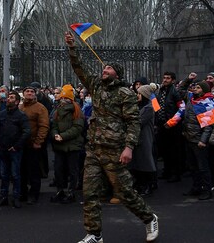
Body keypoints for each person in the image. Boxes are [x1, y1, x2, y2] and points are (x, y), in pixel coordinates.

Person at [65, 31, 158, 243]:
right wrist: (72, 47)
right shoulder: (96, 86)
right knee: (89, 194)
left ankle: (149, 217)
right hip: (94, 149)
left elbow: (133, 123)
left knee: (124, 193)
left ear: (117, 73)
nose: (104, 70)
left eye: (108, 68)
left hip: (115, 151)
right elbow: (79, 68)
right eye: (104, 67)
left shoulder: (125, 93)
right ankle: (95, 234)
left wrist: (129, 148)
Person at [165, 81, 214, 200]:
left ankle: (207, 190)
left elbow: (208, 126)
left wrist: (203, 141)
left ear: (204, 90)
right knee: (193, 166)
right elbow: (180, 89)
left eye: (198, 88)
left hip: (198, 141)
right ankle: (196, 187)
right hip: (189, 138)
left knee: (203, 167)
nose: (195, 89)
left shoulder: (207, 103)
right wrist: (189, 79)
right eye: (195, 87)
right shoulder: (191, 99)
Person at [0, 90, 30, 208]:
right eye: (9, 97)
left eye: (12, 98)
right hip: (3, 148)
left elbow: (26, 132)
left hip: (15, 150)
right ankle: (3, 197)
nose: (9, 99)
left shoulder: (21, 116)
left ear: (17, 101)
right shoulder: (2, 114)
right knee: (4, 174)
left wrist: (17, 145)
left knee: (15, 174)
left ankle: (16, 197)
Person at [50, 84, 84, 204]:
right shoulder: (57, 110)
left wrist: (62, 136)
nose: (63, 100)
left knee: (72, 170)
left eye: (66, 98)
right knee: (58, 170)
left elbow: (77, 128)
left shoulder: (77, 111)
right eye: (62, 98)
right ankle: (60, 191)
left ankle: (71, 193)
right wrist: (55, 135)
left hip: (72, 145)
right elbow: (53, 125)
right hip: (60, 145)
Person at [18, 85, 49, 204]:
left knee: (34, 171)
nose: (29, 93)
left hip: (33, 144)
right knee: (22, 170)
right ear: (23, 93)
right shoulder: (20, 107)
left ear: (35, 94)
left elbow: (44, 126)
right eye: (27, 91)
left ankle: (34, 194)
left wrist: (38, 142)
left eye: (32, 91)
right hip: (21, 144)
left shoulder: (40, 108)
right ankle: (23, 193)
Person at [155, 72, 183, 183]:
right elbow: (157, 106)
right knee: (164, 150)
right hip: (162, 125)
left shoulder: (175, 92)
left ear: (173, 80)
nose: (165, 80)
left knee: (174, 151)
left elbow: (182, 109)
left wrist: (172, 122)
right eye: (164, 77)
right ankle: (166, 171)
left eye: (168, 78)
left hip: (173, 126)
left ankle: (175, 173)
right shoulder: (161, 91)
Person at [131, 84, 158, 197]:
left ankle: (148, 185)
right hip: (138, 137)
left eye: (139, 93)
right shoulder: (138, 106)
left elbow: (138, 122)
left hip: (145, 137)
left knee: (146, 161)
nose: (137, 95)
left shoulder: (149, 108)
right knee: (138, 161)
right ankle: (140, 183)